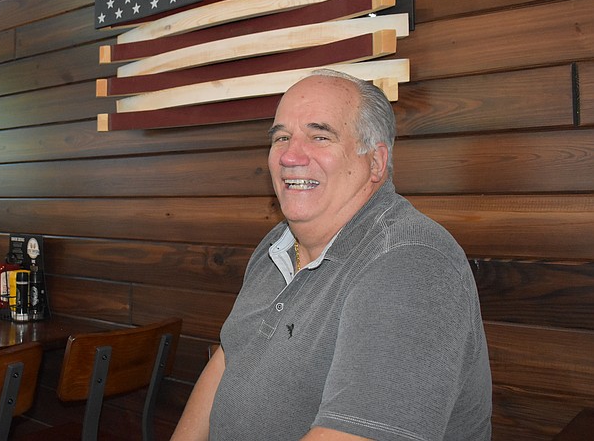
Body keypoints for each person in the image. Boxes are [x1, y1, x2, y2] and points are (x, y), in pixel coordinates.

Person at [171, 69, 492, 441]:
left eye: (319, 136)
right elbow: (231, 356)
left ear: (375, 162)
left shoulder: (411, 262)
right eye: (282, 138)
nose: (290, 155)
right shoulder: (277, 245)